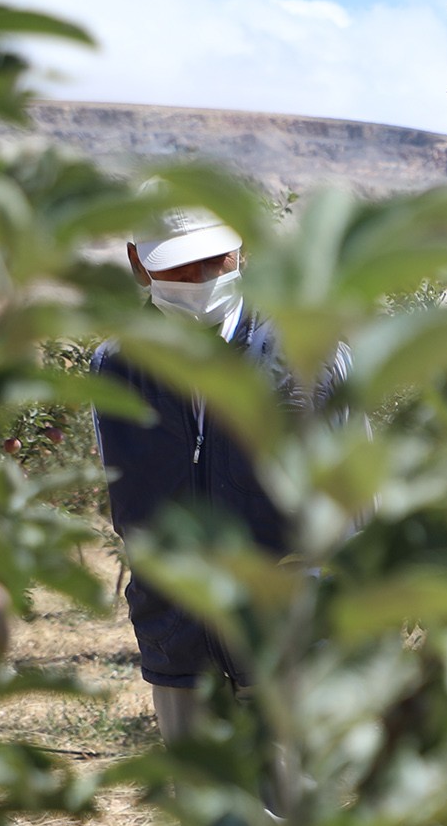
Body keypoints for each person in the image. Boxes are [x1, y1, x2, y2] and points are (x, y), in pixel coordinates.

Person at [93, 212, 331, 743]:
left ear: (240, 250)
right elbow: (127, 505)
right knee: (202, 815)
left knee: (286, 813)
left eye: (214, 258)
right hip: (176, 643)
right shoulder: (113, 367)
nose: (201, 279)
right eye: (178, 265)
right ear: (138, 264)